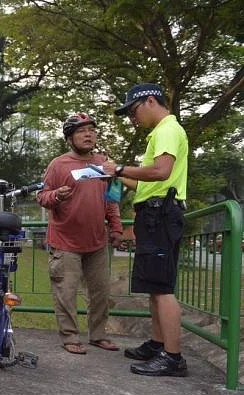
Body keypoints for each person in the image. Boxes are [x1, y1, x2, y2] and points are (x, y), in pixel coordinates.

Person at [102, 83, 188, 377]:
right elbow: (146, 182)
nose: (131, 119)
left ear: (150, 101)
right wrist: (115, 174)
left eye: (133, 111)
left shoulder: (167, 129)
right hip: (154, 213)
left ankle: (173, 357)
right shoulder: (162, 132)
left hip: (161, 213)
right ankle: (158, 343)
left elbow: (161, 171)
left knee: (162, 288)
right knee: (154, 286)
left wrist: (121, 169)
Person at [37, 113, 123, 355]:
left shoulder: (103, 163)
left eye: (92, 130)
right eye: (81, 131)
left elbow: (111, 199)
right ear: (69, 138)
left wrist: (116, 227)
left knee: (101, 293)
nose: (88, 135)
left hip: (96, 241)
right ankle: (70, 337)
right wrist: (57, 196)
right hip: (65, 242)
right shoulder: (58, 165)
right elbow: (42, 197)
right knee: (66, 293)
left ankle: (98, 335)